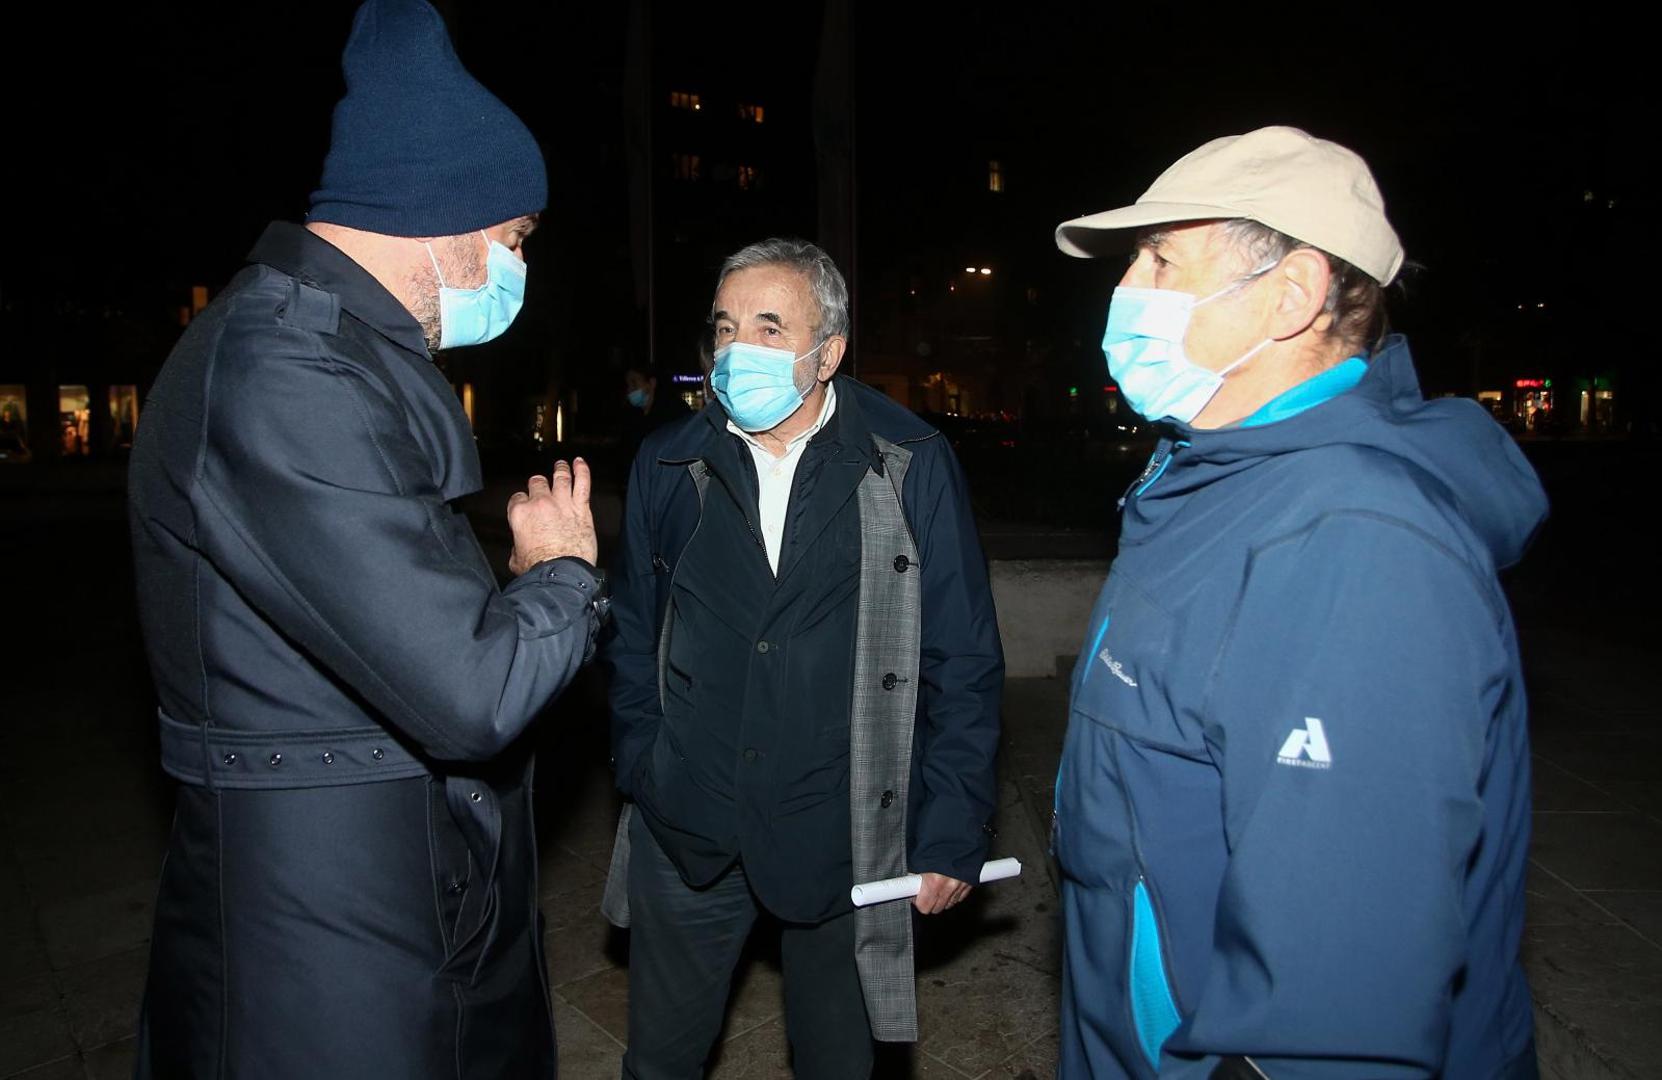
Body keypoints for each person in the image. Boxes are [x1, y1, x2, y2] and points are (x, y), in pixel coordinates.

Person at [125, 2, 603, 1075]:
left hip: (381, 895)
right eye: (514, 241)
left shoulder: (329, 355)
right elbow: (471, 690)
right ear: (446, 216)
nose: (517, 270)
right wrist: (562, 572)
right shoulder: (284, 373)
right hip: (321, 932)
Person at [1049, 126, 1547, 1078]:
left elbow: (1334, 1007)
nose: (1126, 293)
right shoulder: (1219, 479)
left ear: (1292, 296)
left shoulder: (1354, 541)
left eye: (1161, 260)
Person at [601, 238, 1004, 1078]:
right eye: (725, 327)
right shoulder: (669, 463)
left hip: (843, 834)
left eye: (769, 327)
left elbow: (961, 659)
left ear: (829, 353)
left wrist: (952, 824)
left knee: (837, 1062)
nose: (736, 349)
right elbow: (633, 636)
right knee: (659, 1063)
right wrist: (645, 765)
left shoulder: (908, 463)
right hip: (691, 830)